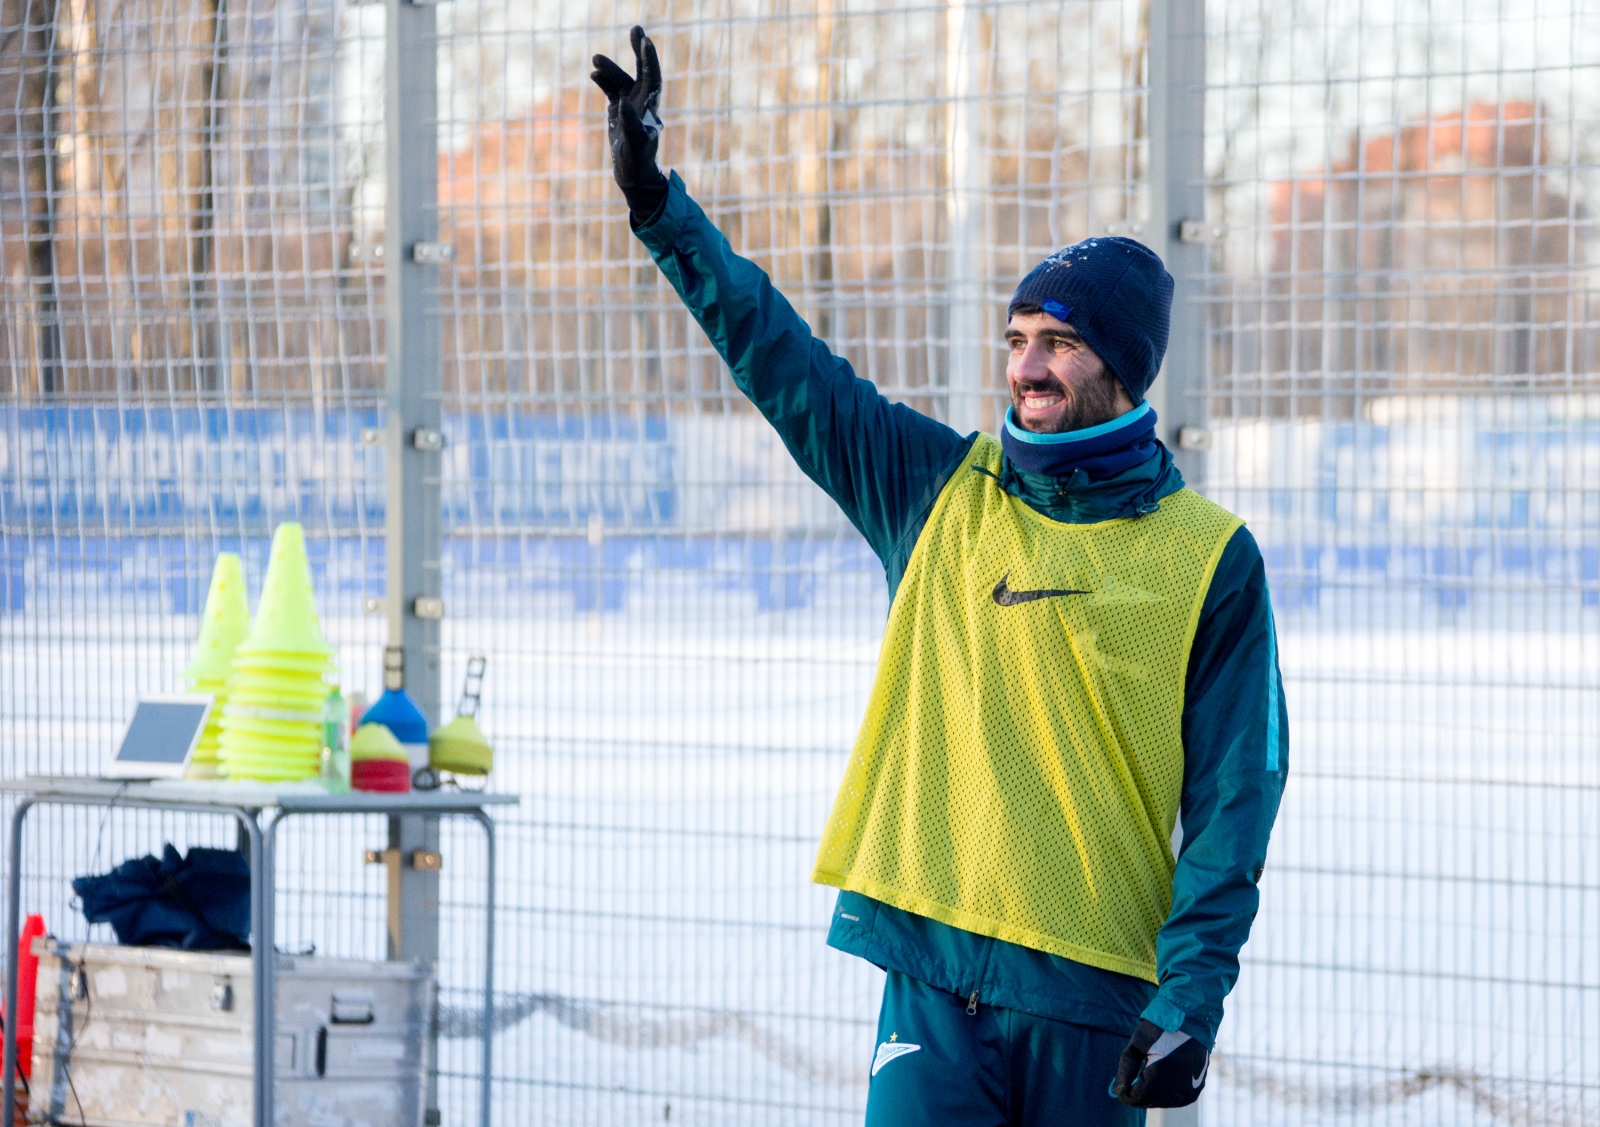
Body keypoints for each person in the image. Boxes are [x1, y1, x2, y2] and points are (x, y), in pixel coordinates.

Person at [593, 28, 1287, 1125]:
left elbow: (1232, 805)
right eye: (1016, 337)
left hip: (1092, 993)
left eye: (1057, 341)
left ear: (1122, 363)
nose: (1024, 366)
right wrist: (657, 206)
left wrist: (1192, 996)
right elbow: (784, 360)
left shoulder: (1209, 556)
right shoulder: (934, 491)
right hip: (930, 981)